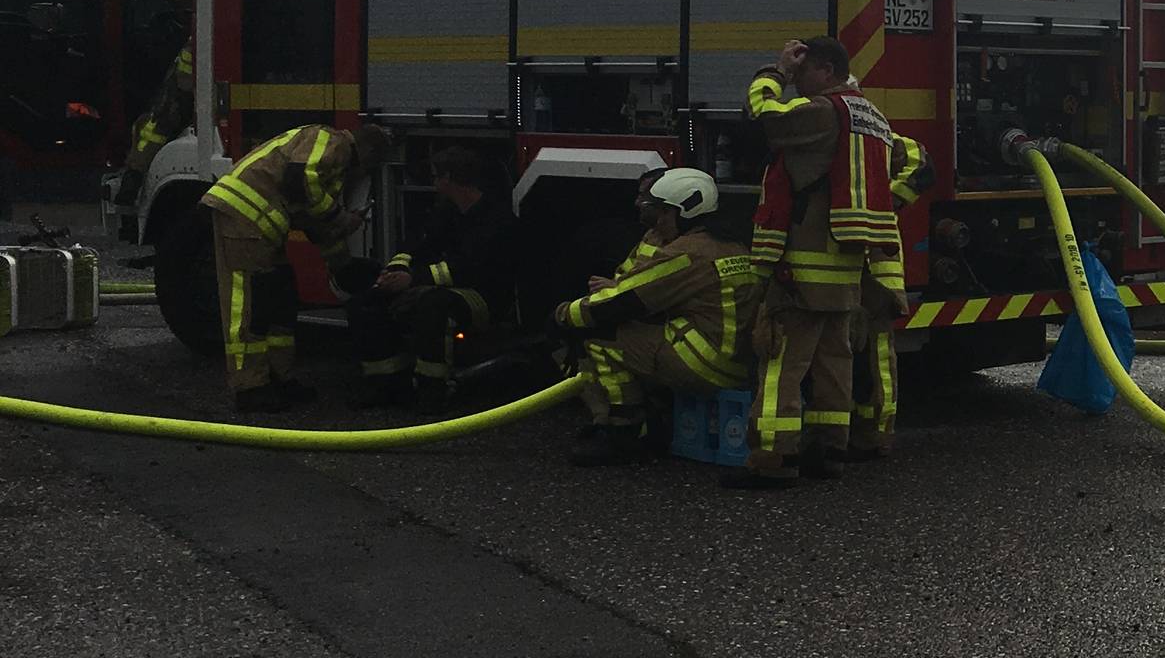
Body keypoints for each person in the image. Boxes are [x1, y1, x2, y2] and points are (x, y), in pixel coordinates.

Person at [738, 36, 896, 490]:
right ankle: (829, 450)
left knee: (781, 360)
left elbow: (766, 117)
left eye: (805, 73)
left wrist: (776, 73)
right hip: (844, 264)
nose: (801, 82)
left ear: (825, 70)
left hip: (803, 266)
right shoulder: (872, 115)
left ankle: (773, 458)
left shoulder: (826, 111)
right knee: (834, 360)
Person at [553, 168, 759, 466]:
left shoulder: (687, 253)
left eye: (664, 214)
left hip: (708, 364)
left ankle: (624, 429)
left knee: (598, 336)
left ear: (685, 212)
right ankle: (657, 411)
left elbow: (623, 300)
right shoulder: (730, 244)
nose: (659, 223)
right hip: (739, 364)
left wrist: (562, 315)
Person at [202, 123, 394, 411]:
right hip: (242, 220)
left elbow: (312, 220)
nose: (365, 173)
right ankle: (249, 386)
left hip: (264, 225)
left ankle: (280, 377)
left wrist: (342, 264)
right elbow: (299, 179)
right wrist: (342, 218)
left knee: (281, 299)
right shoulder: (330, 140)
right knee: (250, 306)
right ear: (365, 151)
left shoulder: (332, 171)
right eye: (372, 165)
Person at [344, 146, 515, 409]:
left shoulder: (495, 217)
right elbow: (420, 243)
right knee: (365, 303)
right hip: (439, 286)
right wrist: (396, 272)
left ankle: (433, 390)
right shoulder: (448, 210)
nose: (433, 182)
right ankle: (387, 385)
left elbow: (469, 267)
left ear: (449, 177)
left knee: (433, 306)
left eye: (436, 176)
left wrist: (413, 281)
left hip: (484, 297)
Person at [843, 130, 930, 460]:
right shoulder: (828, 134)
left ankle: (877, 432)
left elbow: (923, 164)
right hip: (849, 267)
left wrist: (886, 202)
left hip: (877, 272)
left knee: (876, 354)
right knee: (851, 353)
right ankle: (858, 426)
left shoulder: (868, 134)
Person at [121, 0, 198, 186]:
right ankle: (134, 175)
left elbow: (178, 92)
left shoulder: (198, 37)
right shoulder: (165, 32)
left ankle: (134, 175)